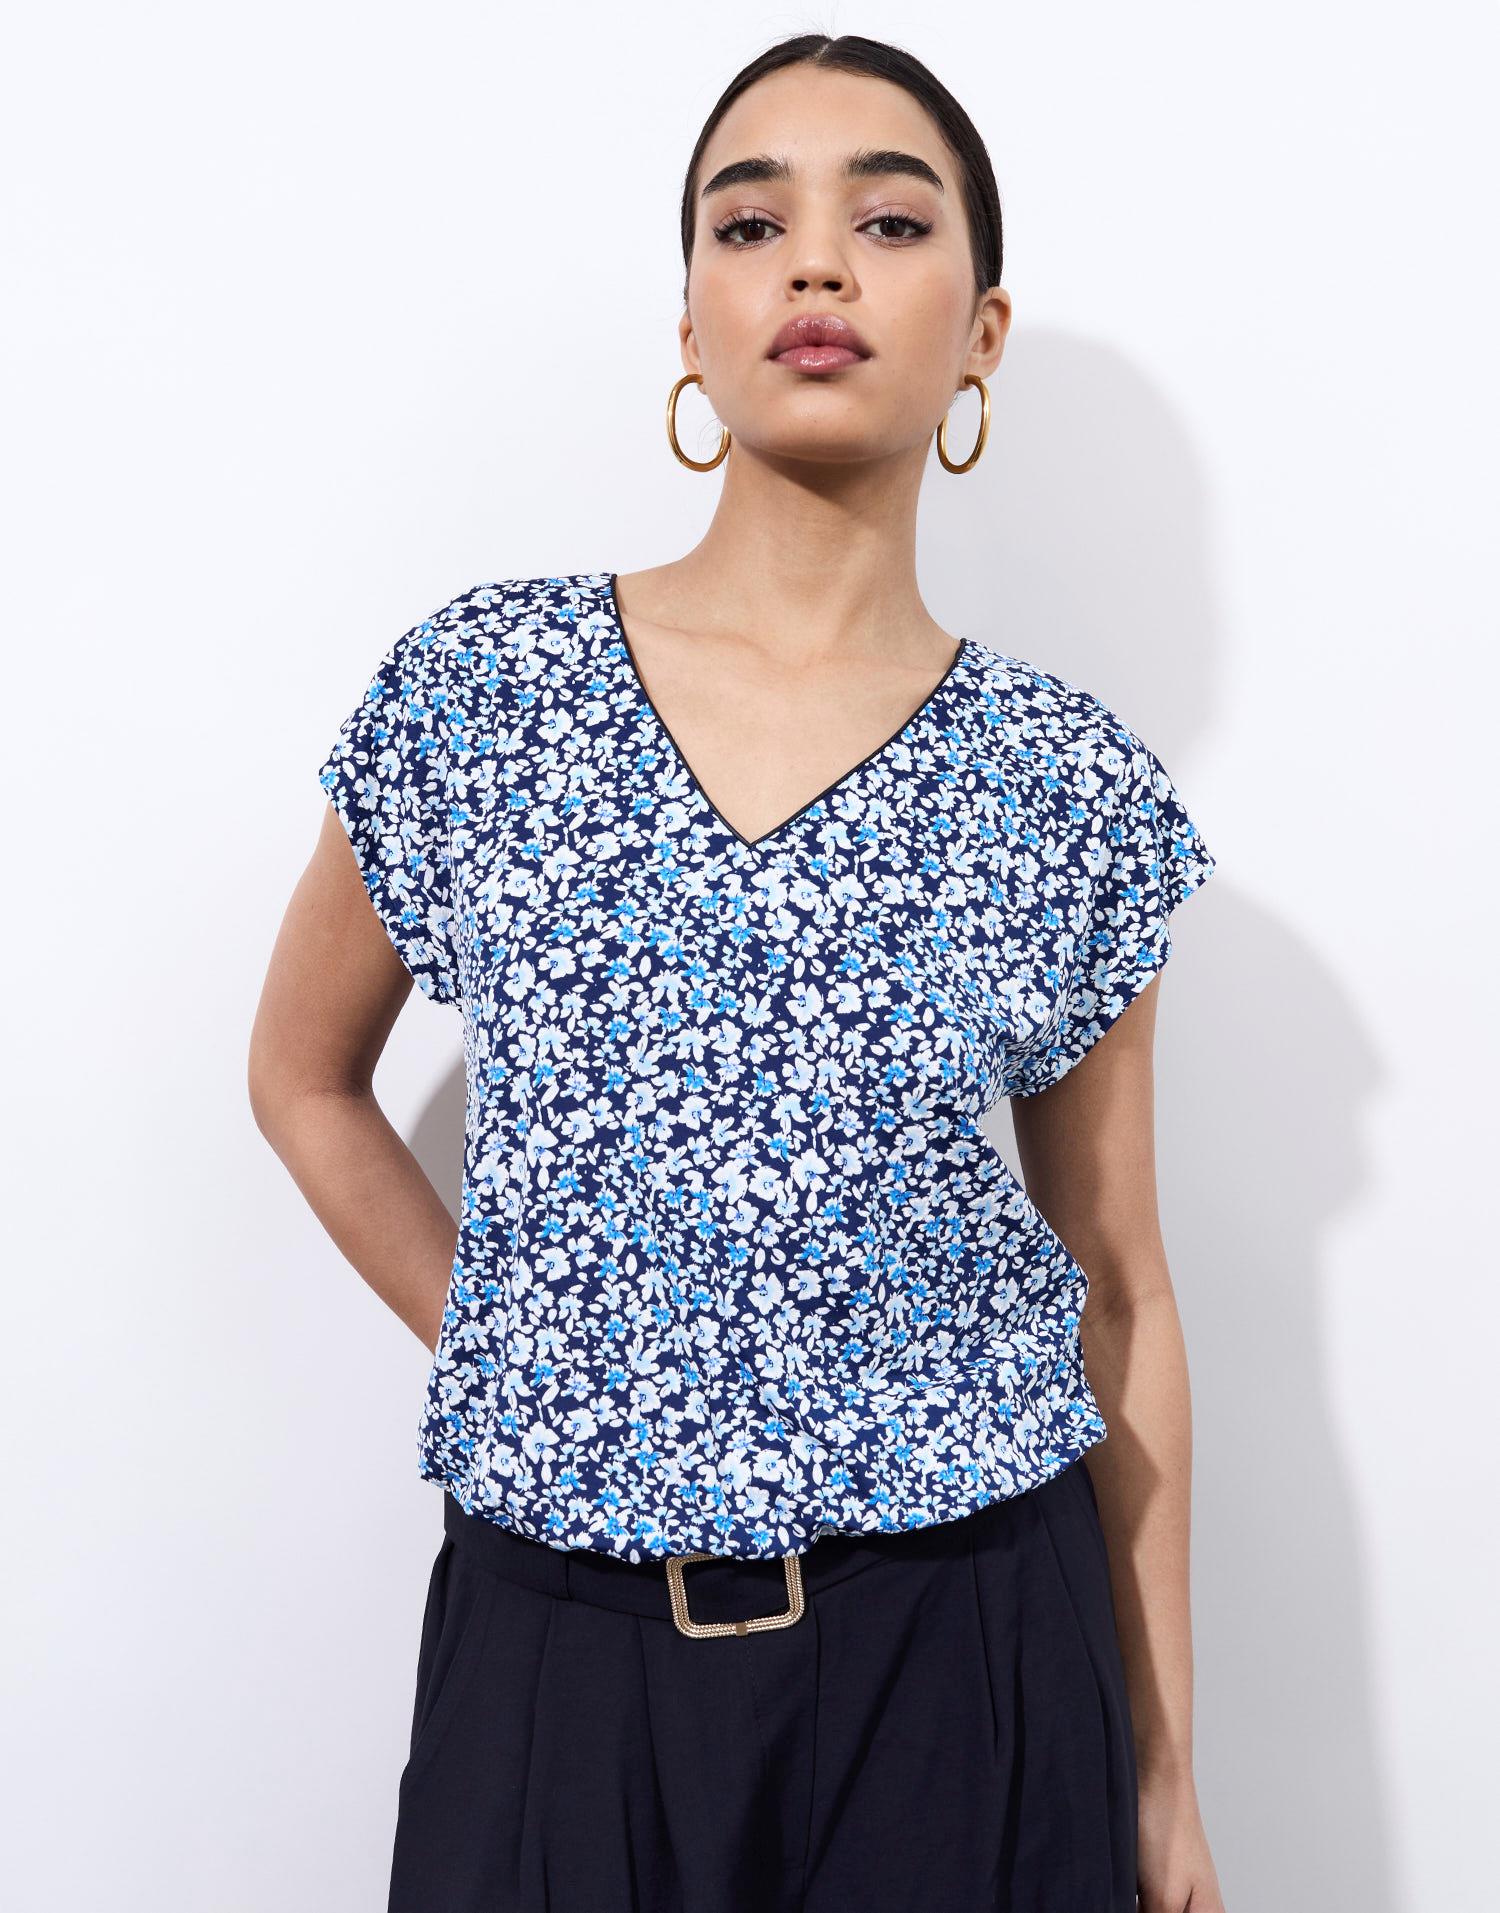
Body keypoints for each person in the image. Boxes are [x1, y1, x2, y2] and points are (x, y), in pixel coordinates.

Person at [249, 30, 1228, 1913]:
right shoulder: (483, 696)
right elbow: (302, 1078)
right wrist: (528, 1341)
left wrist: (1170, 1773)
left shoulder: (1068, 784)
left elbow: (1119, 1282)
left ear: (983, 334)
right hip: (560, 1658)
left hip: (966, 1655)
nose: (817, 263)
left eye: (891, 219)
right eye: (750, 222)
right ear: (690, 321)